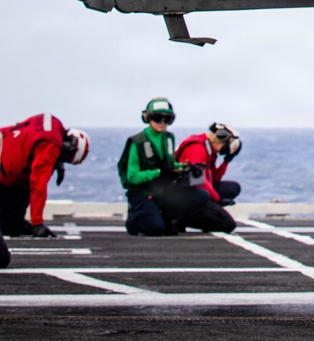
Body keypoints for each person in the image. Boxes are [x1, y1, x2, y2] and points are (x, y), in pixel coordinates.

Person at [118, 98, 236, 236]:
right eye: (157, 118)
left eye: (167, 119)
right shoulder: (137, 142)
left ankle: (167, 217)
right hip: (143, 193)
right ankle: (134, 218)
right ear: (147, 118)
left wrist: (186, 167)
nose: (162, 123)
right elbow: (132, 176)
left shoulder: (168, 138)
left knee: (200, 196)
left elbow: (169, 163)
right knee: (155, 230)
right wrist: (158, 173)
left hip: (162, 191)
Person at [0, 113, 89, 239]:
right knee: (11, 225)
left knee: (15, 217)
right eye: (65, 158)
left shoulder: (52, 123)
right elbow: (38, 185)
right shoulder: (50, 146)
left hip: (6, 148)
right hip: (5, 172)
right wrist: (37, 223)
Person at [176, 122, 242, 208]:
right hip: (188, 191)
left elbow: (214, 179)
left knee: (233, 188)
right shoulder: (197, 148)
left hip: (201, 189)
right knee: (224, 220)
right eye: (224, 149)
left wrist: (226, 162)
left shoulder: (210, 150)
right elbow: (198, 181)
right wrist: (218, 199)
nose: (221, 152)